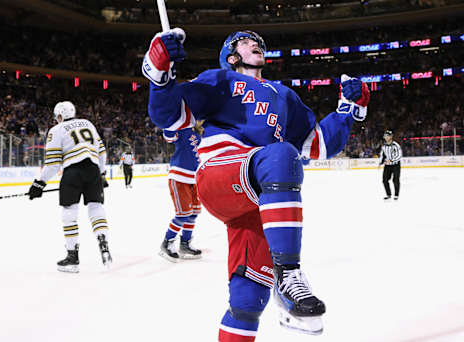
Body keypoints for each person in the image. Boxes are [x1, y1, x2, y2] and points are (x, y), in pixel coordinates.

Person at [142, 29, 370, 340]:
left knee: (248, 300)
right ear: (231, 56)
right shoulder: (220, 80)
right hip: (220, 174)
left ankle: (266, 295)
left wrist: (348, 108)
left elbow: (318, 143)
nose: (256, 44)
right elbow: (168, 115)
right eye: (246, 42)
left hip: (256, 197)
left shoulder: (285, 96)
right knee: (280, 155)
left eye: (258, 42)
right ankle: (288, 276)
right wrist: (160, 70)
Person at [27, 101, 112, 273]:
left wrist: (39, 183)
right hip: (93, 169)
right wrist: (102, 173)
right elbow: (101, 151)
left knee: (69, 213)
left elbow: (52, 164)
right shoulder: (88, 123)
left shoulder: (56, 130)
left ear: (59, 116)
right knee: (96, 207)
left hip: (72, 172)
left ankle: (72, 257)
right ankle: (103, 242)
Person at [159, 124, 202, 262]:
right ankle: (167, 242)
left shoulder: (201, 137)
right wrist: (170, 119)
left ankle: (185, 243)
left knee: (194, 212)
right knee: (183, 213)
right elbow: (169, 135)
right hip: (179, 176)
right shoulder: (184, 130)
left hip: (195, 178)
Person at [379, 130, 402, 200]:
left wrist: (391, 160)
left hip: (396, 165)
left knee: (395, 180)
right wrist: (381, 161)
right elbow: (382, 154)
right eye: (385, 136)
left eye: (387, 135)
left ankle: (396, 195)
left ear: (390, 137)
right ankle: (388, 194)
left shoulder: (396, 145)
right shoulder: (384, 146)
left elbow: (399, 155)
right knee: (384, 180)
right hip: (387, 165)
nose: (385, 137)